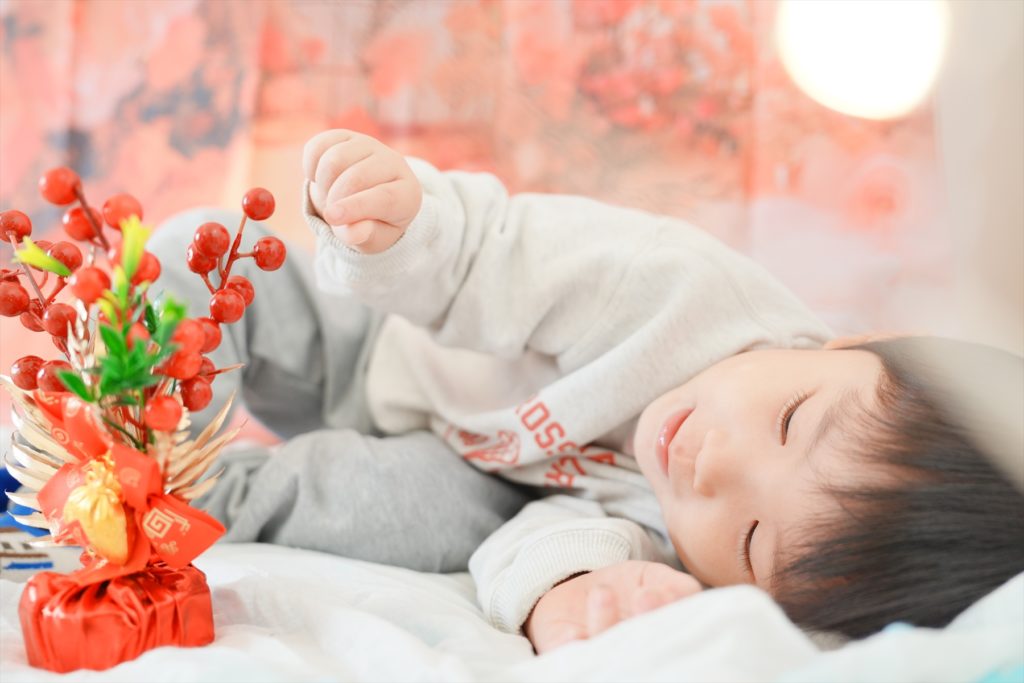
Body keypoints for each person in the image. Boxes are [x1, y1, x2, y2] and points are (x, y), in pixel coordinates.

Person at [150, 130, 1024, 655]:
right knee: (202, 254)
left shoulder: (687, 551)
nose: (714, 466)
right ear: (853, 343)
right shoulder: (673, 288)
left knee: (403, 514)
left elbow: (552, 532)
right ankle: (123, 418)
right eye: (792, 421)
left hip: (471, 470)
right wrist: (404, 230)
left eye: (754, 540)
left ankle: (175, 497)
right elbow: (491, 257)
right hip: (387, 337)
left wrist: (572, 591)